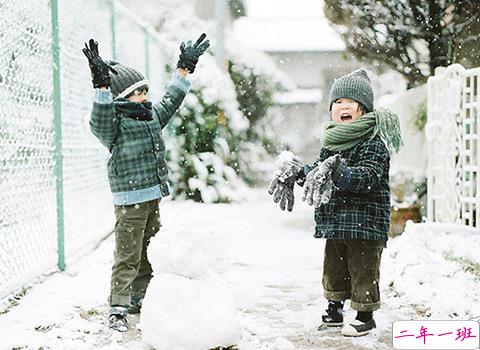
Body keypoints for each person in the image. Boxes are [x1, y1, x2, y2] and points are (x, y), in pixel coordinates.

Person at [83, 34, 210, 332]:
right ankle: (118, 306)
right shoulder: (113, 125)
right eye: (137, 92)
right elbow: (99, 119)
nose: (144, 95)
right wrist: (102, 87)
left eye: (144, 89)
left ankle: (140, 296)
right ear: (120, 98)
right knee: (128, 254)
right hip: (129, 200)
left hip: (152, 197)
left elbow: (171, 100)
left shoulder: (150, 116)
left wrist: (183, 69)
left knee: (149, 249)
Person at [268, 69, 402, 336]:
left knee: (364, 269)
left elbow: (369, 177)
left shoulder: (373, 142)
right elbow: (319, 172)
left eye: (349, 103)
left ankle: (365, 314)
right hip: (336, 220)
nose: (342, 107)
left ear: (363, 109)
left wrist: (341, 173)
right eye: (337, 103)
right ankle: (334, 308)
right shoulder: (331, 143)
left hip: (365, 223)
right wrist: (298, 172)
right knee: (334, 267)